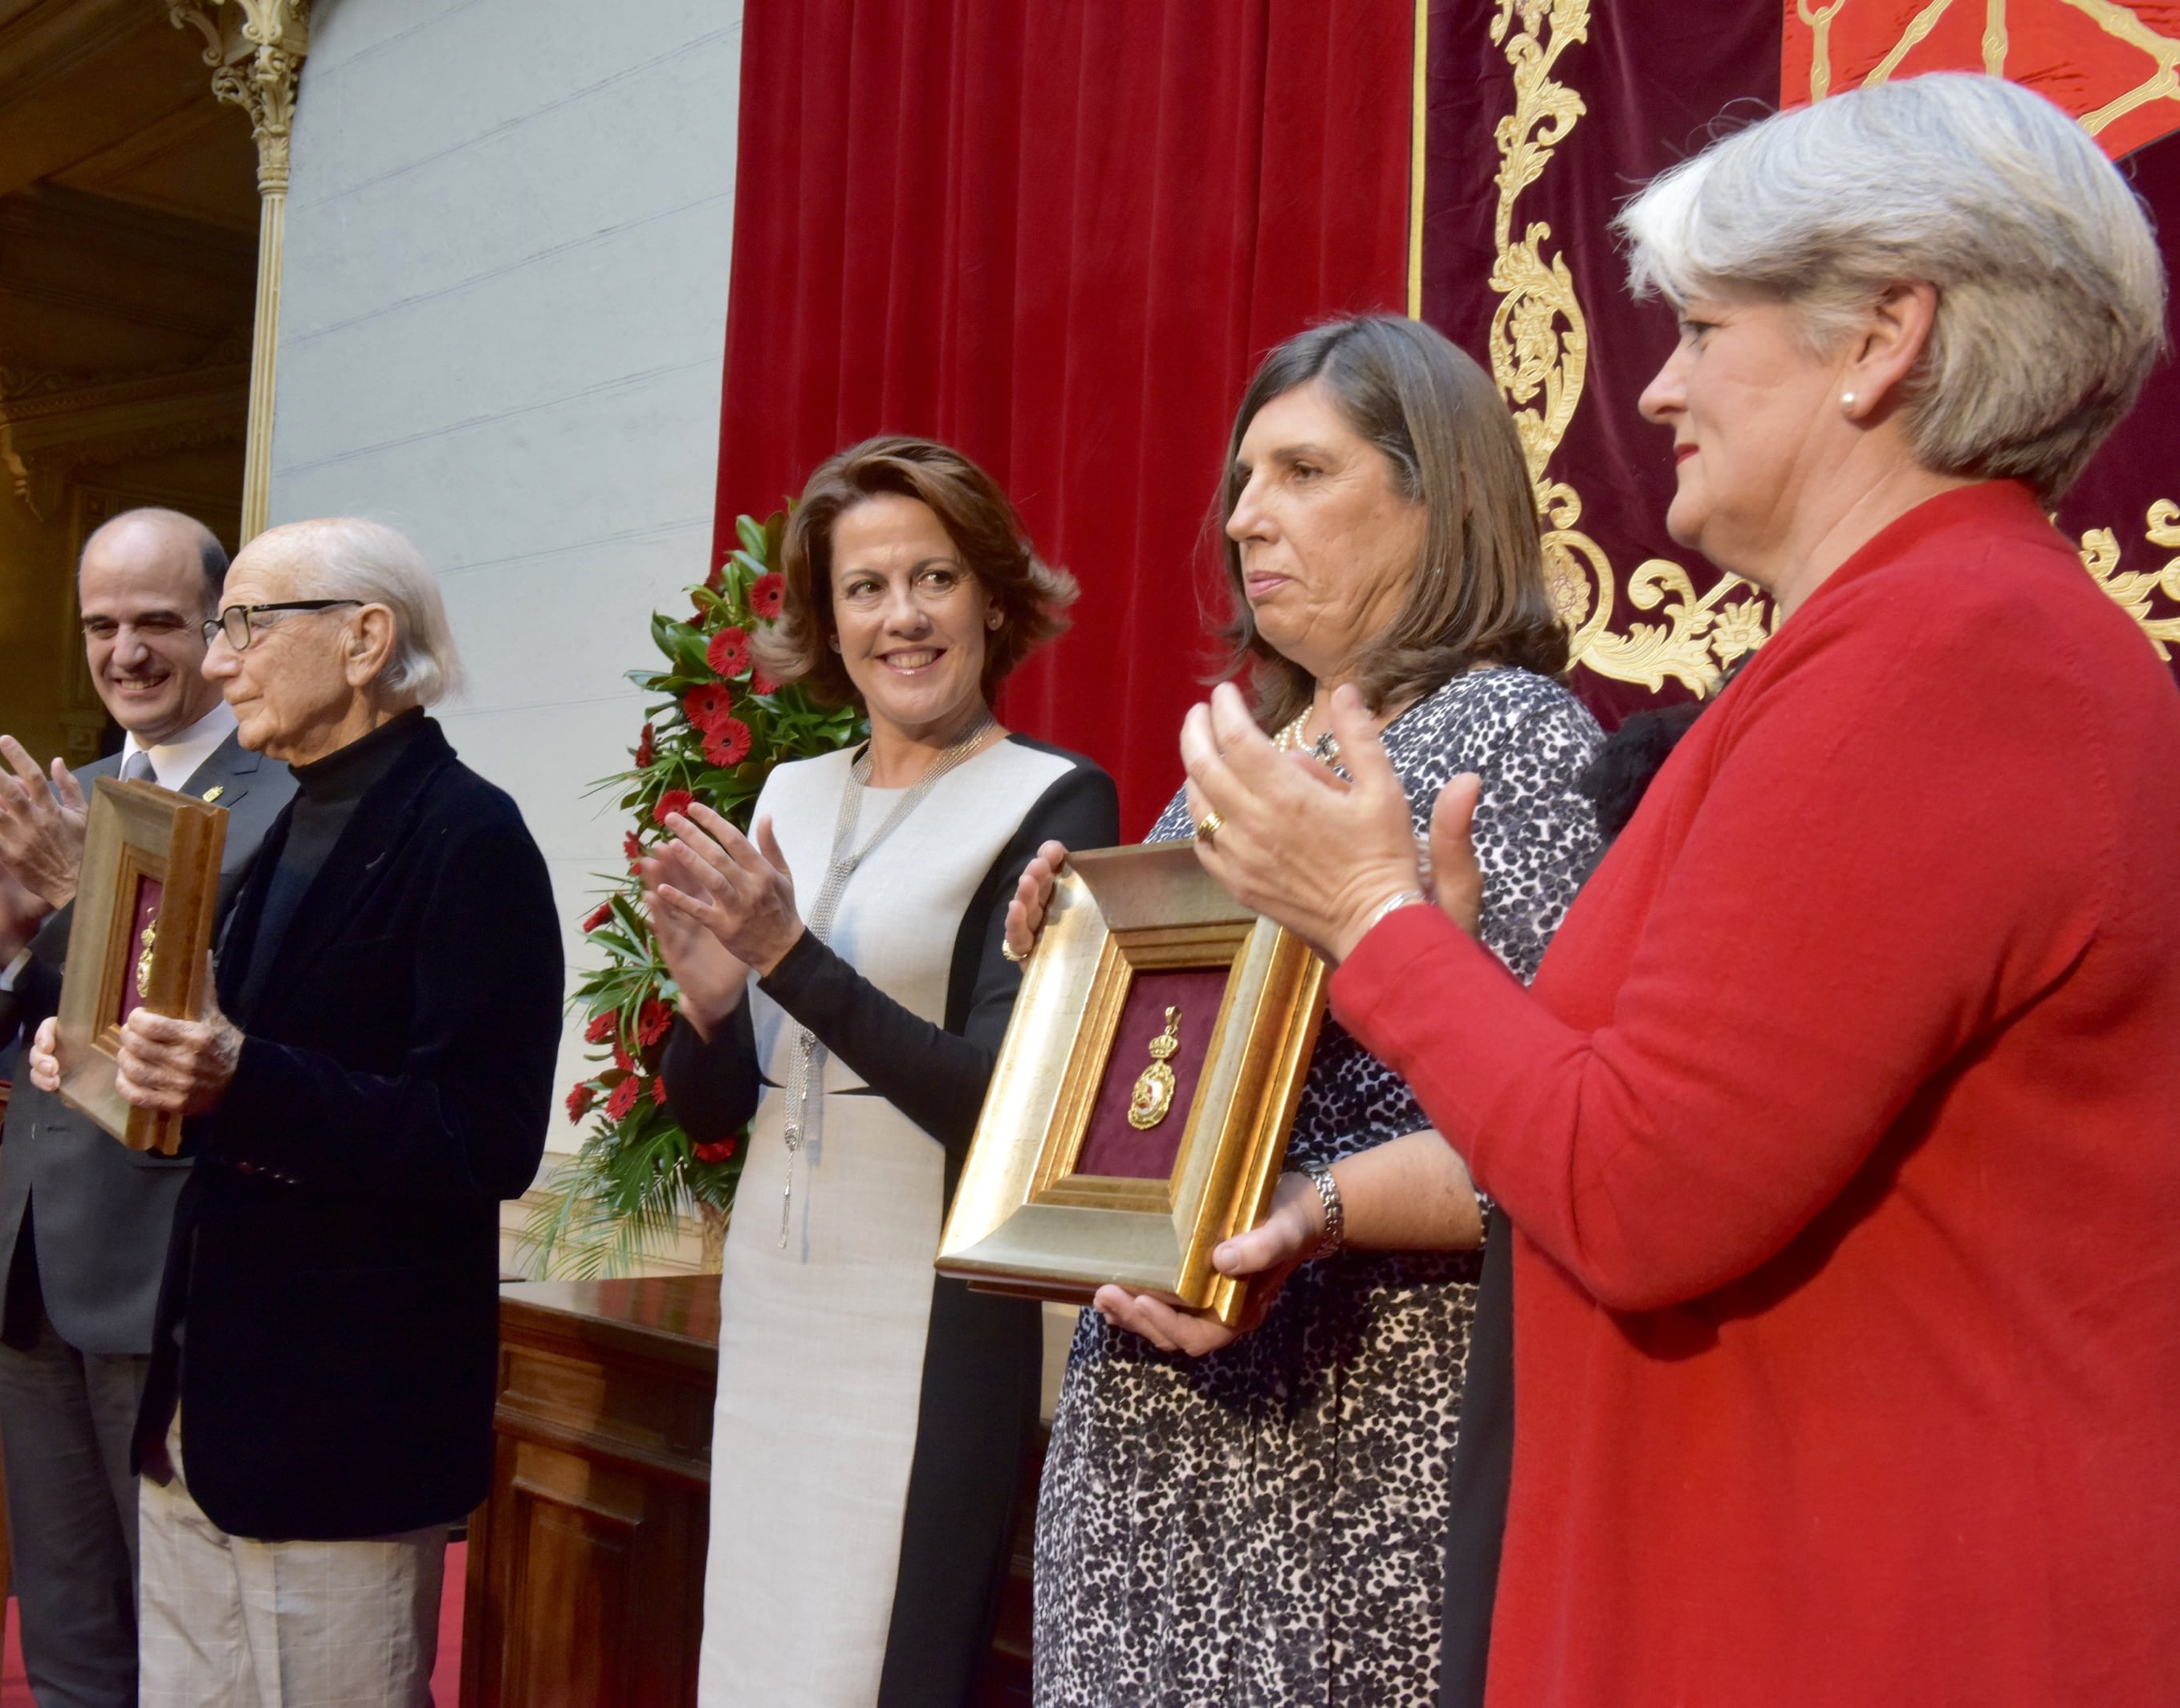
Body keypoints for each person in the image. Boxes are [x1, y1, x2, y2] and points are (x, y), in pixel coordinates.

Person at [1176, 75, 2180, 1705]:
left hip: (1867, 1611)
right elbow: (1680, 1117)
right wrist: (1458, 965)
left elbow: (1643, 1191)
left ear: (1879, 340)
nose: (1651, 391)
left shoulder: (1949, 656)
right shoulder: (1909, 642)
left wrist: (1373, 923)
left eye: (1703, 327)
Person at [1011, 317, 1604, 1705]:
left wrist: (1311, 1201)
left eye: (1299, 470)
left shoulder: (1505, 736)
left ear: (1431, 493)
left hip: (1344, 1455)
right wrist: (1068, 983)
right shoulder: (1251, 756)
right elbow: (1170, 1088)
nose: (1240, 516)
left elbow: (1552, 1137)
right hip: (1151, 1458)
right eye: (1239, 477)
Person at [28, 516, 560, 1706]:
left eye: (244, 627)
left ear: (366, 638)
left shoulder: (467, 837)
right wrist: (120, 1066)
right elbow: (233, 1076)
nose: (218, 665)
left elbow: (486, 1137)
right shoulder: (280, 832)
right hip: (204, 1410)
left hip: (340, 1427)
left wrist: (236, 1076)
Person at [649, 436, 1118, 1706]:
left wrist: (784, 954)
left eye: (935, 579)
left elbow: (999, 1104)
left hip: (930, 1322)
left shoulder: (1056, 800)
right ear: (827, 617)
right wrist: (704, 1015)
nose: (902, 617)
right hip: (776, 1309)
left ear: (993, 597)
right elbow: (715, 1117)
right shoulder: (787, 796)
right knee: (759, 1658)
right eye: (866, 588)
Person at [0, 507, 296, 1708]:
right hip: (35, 1259)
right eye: (101, 625)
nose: (125, 652)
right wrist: (0, 930)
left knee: (180, 1632)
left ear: (219, 629)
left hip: (170, 1272)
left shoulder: (282, 798)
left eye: (155, 623)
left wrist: (89, 890)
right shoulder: (64, 797)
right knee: (71, 1633)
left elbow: (236, 1019)